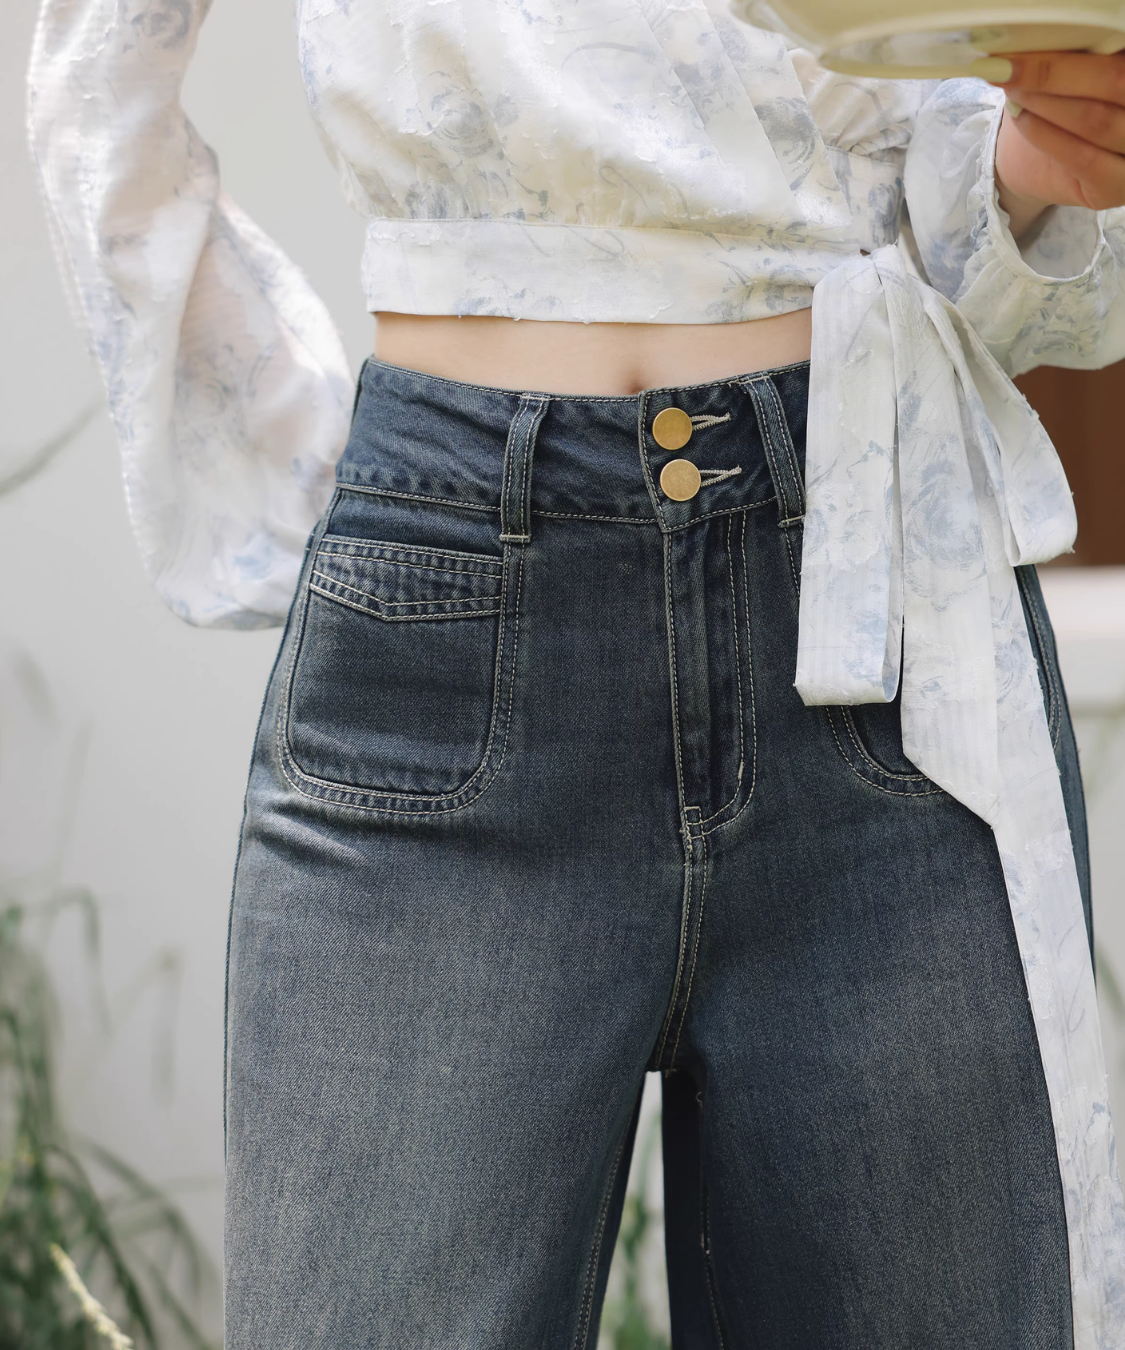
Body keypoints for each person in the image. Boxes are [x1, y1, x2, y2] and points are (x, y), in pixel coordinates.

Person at [25, 1, 1125, 1344]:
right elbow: (100, 72)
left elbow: (936, 153)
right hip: (458, 588)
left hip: (879, 595)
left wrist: (1023, 177)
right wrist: (338, 476)